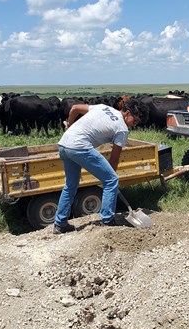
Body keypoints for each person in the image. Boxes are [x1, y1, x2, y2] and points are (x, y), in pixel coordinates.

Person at [53, 99, 147, 234]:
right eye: (135, 121)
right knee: (112, 180)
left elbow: (74, 108)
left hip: (64, 144)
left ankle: (60, 224)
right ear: (128, 113)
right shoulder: (122, 129)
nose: (134, 125)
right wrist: (110, 180)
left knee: (71, 185)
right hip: (80, 146)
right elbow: (114, 159)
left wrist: (69, 126)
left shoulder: (103, 107)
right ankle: (108, 220)